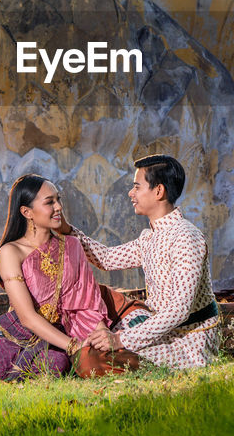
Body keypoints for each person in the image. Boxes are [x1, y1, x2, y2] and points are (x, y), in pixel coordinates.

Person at [0, 174, 108, 381]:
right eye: (49, 202)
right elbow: (27, 316)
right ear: (27, 212)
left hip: (56, 335)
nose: (58, 207)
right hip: (16, 333)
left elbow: (87, 301)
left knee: (56, 363)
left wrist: (101, 335)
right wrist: (73, 346)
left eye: (58, 199)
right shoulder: (11, 251)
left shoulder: (72, 246)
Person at [58, 154, 220, 370]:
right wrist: (68, 231)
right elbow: (106, 259)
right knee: (98, 293)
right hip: (155, 324)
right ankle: (90, 341)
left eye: (137, 187)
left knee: (92, 361)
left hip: (186, 339)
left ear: (159, 191)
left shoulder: (185, 237)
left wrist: (120, 340)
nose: (130, 193)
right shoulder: (151, 237)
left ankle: (101, 346)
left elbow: (180, 310)